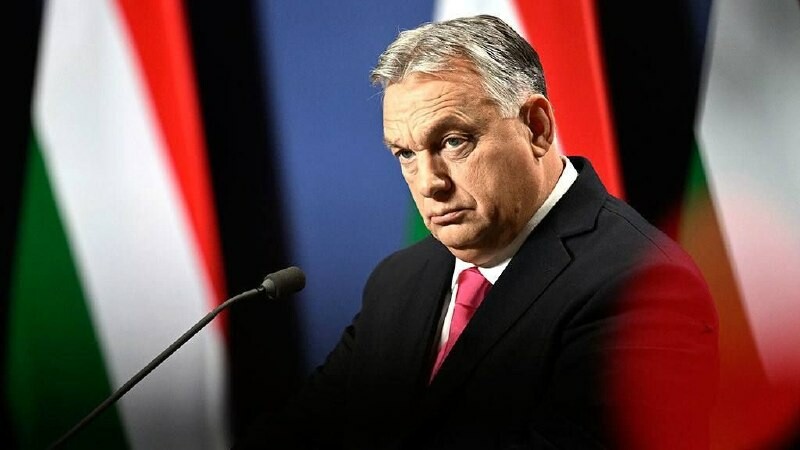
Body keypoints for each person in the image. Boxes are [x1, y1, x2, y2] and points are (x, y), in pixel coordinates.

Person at [238, 14, 718, 449]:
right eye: (406, 154)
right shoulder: (399, 281)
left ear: (536, 127)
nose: (428, 183)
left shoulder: (644, 287)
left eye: (453, 141)